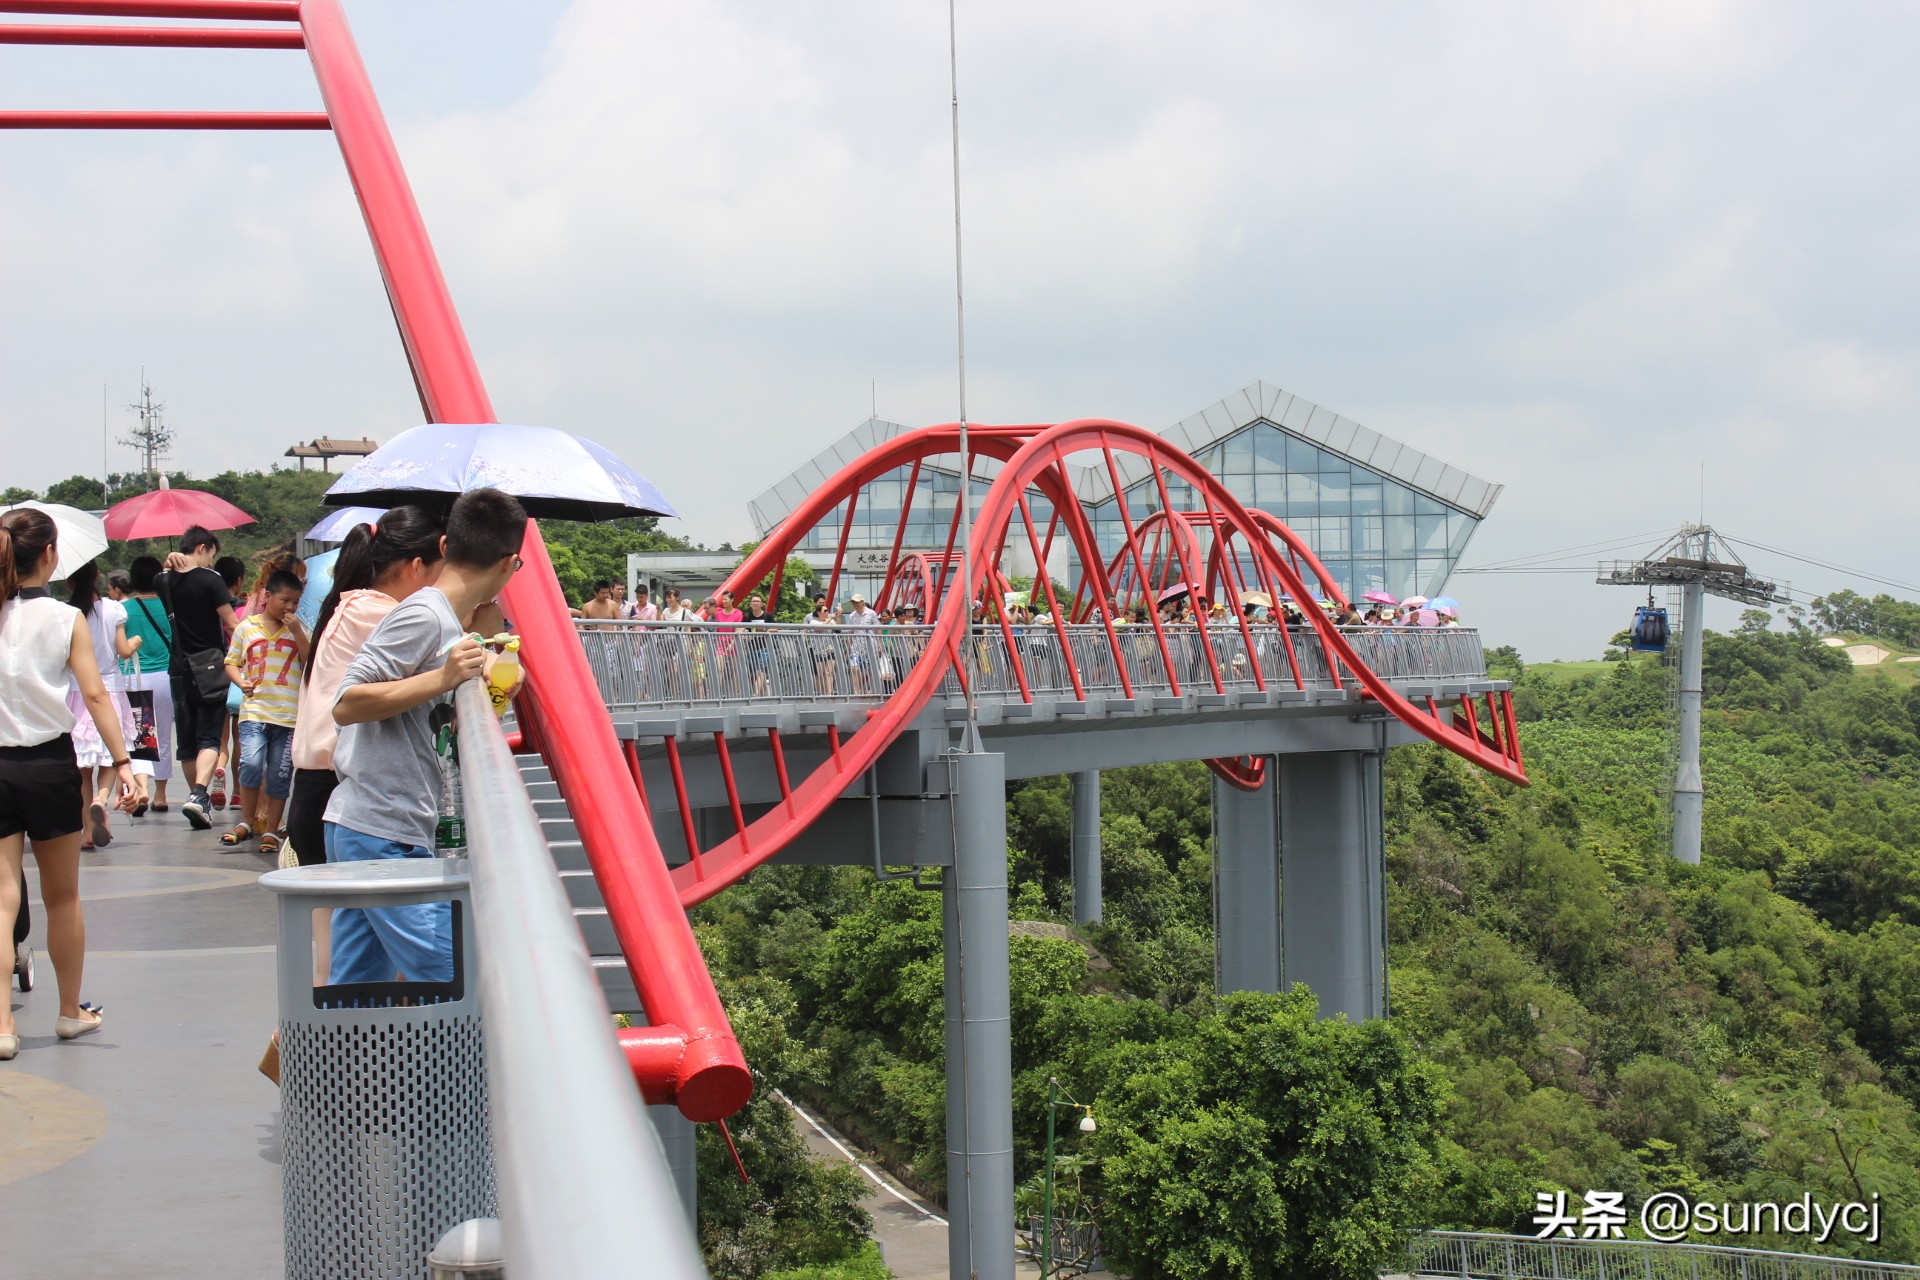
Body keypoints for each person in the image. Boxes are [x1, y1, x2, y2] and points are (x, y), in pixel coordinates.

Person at [325, 488, 524, 986]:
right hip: (382, 829)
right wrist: (444, 678)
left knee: (357, 988)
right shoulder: (424, 616)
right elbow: (348, 703)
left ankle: (323, 1062)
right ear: (510, 563)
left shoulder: (447, 623)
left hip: (380, 824)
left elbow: (431, 717)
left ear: (444, 543)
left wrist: (492, 695)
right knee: (451, 975)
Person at [286, 508, 443, 983]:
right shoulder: (382, 614)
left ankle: (319, 1047)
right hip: (344, 791)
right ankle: (301, 1046)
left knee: (350, 958)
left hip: (318, 790)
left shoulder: (348, 605)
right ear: (416, 566)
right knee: (347, 957)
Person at [0, 508, 135, 1057]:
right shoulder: (64, 618)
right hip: (51, 766)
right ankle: (69, 1011)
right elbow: (97, 696)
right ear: (51, 556)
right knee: (62, 897)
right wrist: (123, 763)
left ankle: (4, 1028)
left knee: (3, 898)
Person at [220, 569, 307, 854]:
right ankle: (247, 821)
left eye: (296, 602)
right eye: (285, 600)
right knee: (251, 765)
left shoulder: (299, 629)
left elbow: (310, 662)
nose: (290, 608)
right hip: (254, 712)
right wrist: (240, 680)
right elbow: (231, 661)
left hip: (287, 715)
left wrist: (297, 631)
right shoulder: (247, 628)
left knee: (281, 774)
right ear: (267, 597)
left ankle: (270, 828)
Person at [65, 563, 141, 849]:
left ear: (69, 582)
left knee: (83, 766)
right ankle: (102, 798)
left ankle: (87, 830)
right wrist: (135, 641)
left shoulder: (68, 613)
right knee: (111, 754)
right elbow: (123, 650)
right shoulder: (113, 610)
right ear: (97, 576)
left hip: (76, 691)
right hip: (109, 688)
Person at [121, 556, 176, 814]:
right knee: (163, 736)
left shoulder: (124, 608)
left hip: (133, 678)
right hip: (165, 677)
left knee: (137, 736)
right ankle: (160, 795)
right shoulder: (170, 606)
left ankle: (135, 791)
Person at [806, 597, 838, 695]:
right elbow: (820, 628)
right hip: (818, 651)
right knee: (820, 674)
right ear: (819, 613)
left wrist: (838, 617)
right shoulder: (813, 622)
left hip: (829, 649)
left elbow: (838, 629)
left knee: (829, 673)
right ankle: (821, 693)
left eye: (827, 610)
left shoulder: (831, 621)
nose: (827, 612)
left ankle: (829, 693)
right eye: (825, 611)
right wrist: (830, 619)